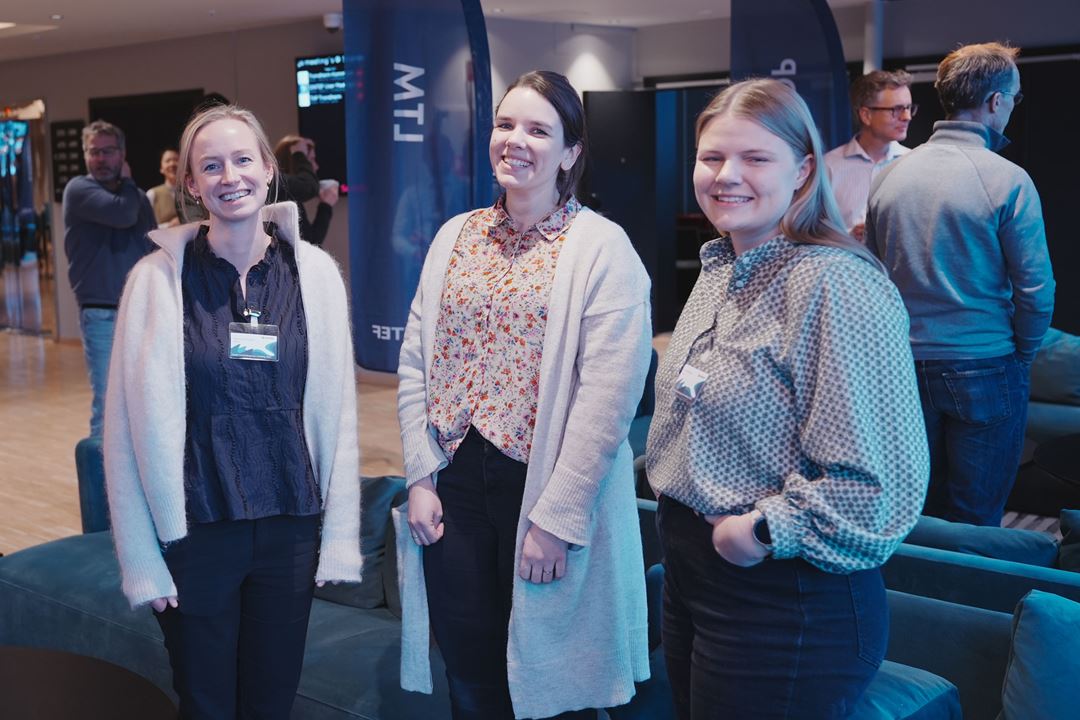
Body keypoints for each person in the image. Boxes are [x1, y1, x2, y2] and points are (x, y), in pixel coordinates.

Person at [646, 78, 929, 719]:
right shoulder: (721, 266)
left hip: (785, 597)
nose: (727, 175)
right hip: (693, 575)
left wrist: (764, 530)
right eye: (713, 157)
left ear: (803, 170)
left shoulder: (836, 285)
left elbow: (879, 487)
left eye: (755, 158)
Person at [397, 70, 652, 720]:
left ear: (570, 152)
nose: (516, 140)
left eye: (538, 129)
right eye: (506, 124)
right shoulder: (455, 236)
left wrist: (557, 521)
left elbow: (608, 402)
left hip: (542, 491)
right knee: (470, 672)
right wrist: (421, 474)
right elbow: (415, 361)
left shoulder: (602, 248)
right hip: (453, 482)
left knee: (551, 683)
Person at [103, 105, 362, 719]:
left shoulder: (315, 275)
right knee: (207, 703)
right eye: (211, 166)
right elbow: (121, 431)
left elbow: (338, 416)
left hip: (290, 525)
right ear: (191, 184)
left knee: (272, 703)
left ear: (268, 169)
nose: (230, 177)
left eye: (243, 160)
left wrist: (341, 538)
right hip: (197, 529)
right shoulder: (156, 280)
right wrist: (141, 557)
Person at [867, 42, 1055, 527]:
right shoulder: (1008, 179)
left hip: (901, 364)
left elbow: (870, 276)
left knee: (914, 510)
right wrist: (1025, 353)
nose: (1013, 107)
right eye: (1013, 98)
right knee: (976, 515)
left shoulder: (887, 177)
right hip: (985, 362)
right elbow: (1036, 288)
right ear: (995, 101)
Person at [63, 119, 155, 437]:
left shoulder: (138, 198)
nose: (101, 159)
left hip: (139, 311)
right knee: (108, 407)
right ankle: (102, 487)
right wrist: (129, 183)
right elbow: (123, 215)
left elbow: (151, 247)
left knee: (142, 402)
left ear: (122, 153)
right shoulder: (78, 189)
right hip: (101, 313)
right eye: (94, 152)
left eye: (108, 151)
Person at [824, 70, 914, 241]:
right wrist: (849, 237)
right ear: (866, 115)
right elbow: (809, 229)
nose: (907, 117)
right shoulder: (827, 167)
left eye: (909, 108)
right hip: (843, 264)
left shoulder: (914, 164)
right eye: (896, 110)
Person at [273, 135, 339, 246]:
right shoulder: (282, 191)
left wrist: (325, 205)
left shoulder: (287, 193)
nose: (316, 166)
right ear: (295, 161)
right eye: (311, 160)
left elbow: (310, 241)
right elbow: (309, 187)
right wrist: (299, 154)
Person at [147, 148, 180, 228]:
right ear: (161, 168)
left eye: (176, 160)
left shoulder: (192, 192)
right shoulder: (152, 194)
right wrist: (169, 225)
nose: (172, 164)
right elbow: (144, 226)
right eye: (168, 161)